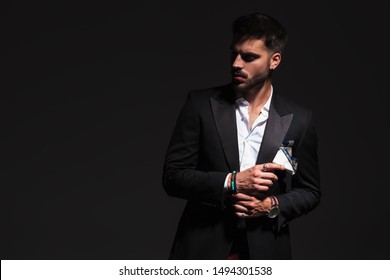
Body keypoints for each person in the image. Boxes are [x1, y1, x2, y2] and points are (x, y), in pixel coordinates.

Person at [162, 12, 321, 260]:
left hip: (267, 250)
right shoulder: (200, 105)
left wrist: (271, 206)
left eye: (249, 57)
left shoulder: (299, 120)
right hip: (203, 248)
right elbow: (173, 177)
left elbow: (310, 191)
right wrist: (232, 182)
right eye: (234, 53)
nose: (236, 63)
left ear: (274, 60)